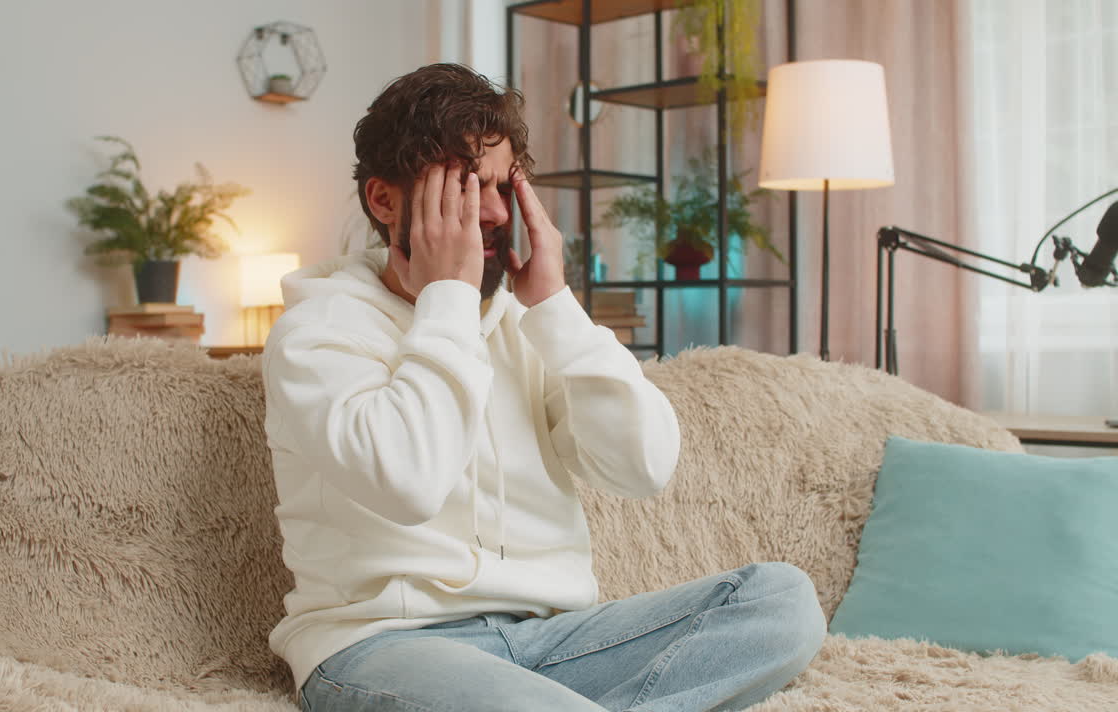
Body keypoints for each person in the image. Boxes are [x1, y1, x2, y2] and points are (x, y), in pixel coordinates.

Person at [261, 63, 826, 712]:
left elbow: (646, 467)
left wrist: (557, 307)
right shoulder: (317, 331)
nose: (497, 212)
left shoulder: (525, 319)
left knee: (779, 603)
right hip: (381, 646)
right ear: (384, 200)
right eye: (465, 189)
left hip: (553, 644)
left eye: (503, 187)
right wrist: (447, 297)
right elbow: (409, 482)